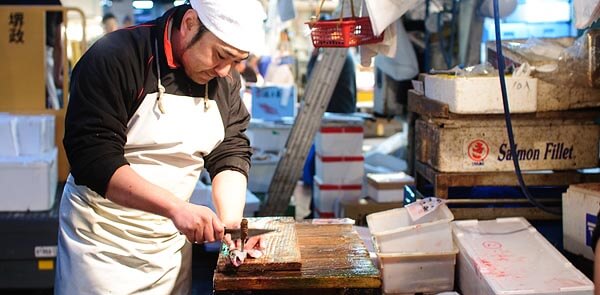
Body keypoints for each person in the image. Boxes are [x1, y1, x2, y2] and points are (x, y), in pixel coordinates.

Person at [55, 0, 266, 294]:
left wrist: (231, 225)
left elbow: (229, 150)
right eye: (220, 55)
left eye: (235, 61)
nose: (224, 71)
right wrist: (176, 208)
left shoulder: (224, 80)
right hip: (101, 244)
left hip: (169, 249)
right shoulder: (116, 57)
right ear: (190, 22)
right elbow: (94, 157)